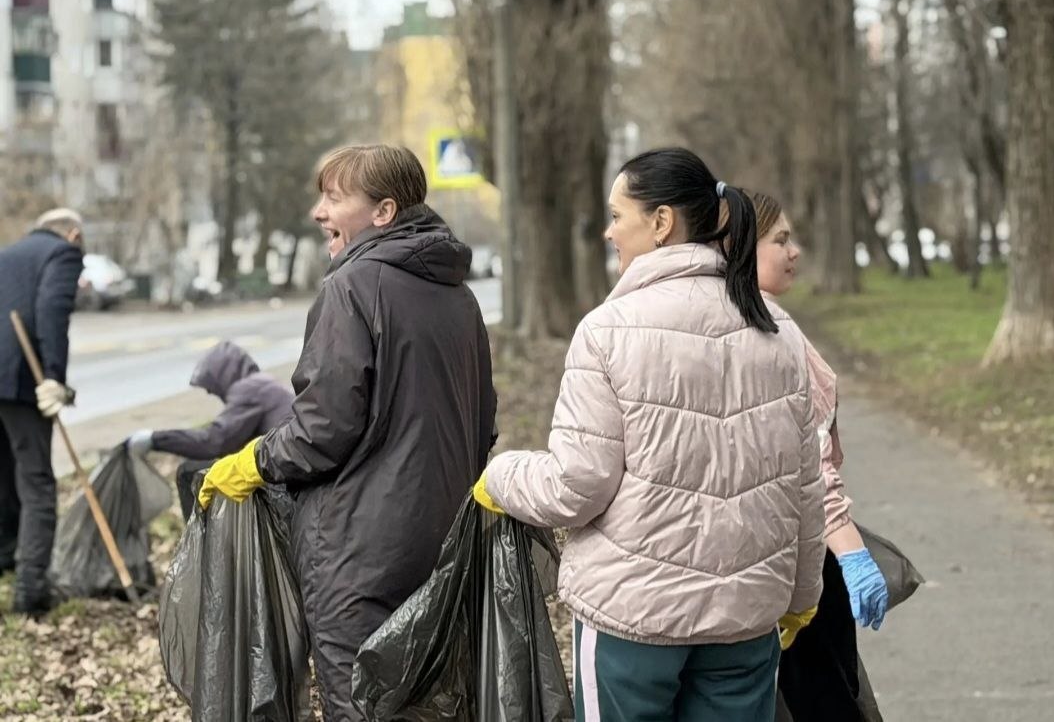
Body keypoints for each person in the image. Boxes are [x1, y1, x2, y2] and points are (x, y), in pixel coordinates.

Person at [473, 148, 826, 722]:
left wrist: (501, 475)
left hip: (633, 619)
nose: (609, 231)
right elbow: (804, 485)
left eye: (618, 215)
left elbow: (576, 486)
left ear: (661, 222)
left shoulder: (607, 331)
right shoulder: (779, 331)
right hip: (745, 620)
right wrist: (801, 598)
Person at [197, 144, 498, 721]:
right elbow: (482, 422)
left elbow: (322, 430)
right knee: (425, 704)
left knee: (360, 703)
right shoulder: (459, 296)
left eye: (334, 199)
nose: (319, 212)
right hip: (443, 541)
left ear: (383, 212)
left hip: (358, 554)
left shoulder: (352, 287)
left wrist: (254, 461)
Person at [739, 191, 888, 722]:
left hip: (762, 558)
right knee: (825, 701)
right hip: (804, 560)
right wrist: (851, 552)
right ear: (742, 248)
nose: (794, 251)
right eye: (780, 240)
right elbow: (811, 462)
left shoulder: (746, 325)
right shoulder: (772, 332)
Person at [0, 208, 85, 616]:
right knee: (37, 483)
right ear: (73, 234)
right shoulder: (62, 253)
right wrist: (53, 377)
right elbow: (53, 310)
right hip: (21, 379)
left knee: (3, 475)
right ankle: (30, 593)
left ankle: (5, 558)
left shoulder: (7, 255)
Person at [124, 341, 293, 520]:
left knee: (190, 472)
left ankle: (199, 535)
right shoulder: (262, 384)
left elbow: (213, 442)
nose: (211, 392)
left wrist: (155, 439)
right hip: (284, 467)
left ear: (222, 376)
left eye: (211, 386)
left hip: (284, 480)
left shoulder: (250, 389)